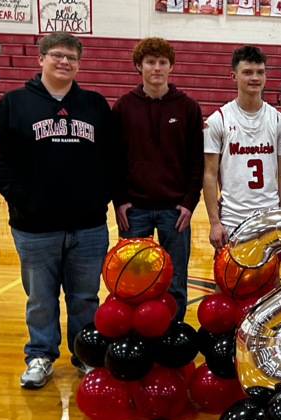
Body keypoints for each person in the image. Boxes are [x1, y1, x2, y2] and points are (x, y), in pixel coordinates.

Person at [0, 33, 119, 388]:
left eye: (71, 57)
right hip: (33, 226)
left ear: (79, 63)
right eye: (57, 55)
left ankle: (85, 355)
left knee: (85, 298)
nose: (64, 62)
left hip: (88, 225)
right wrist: (22, 199)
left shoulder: (94, 104)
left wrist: (98, 197)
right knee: (41, 299)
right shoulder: (13, 103)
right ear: (40, 58)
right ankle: (40, 356)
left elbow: (112, 158)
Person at [112, 37, 204, 322]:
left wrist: (189, 201)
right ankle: (134, 330)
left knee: (175, 278)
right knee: (132, 277)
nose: (157, 68)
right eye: (150, 62)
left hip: (175, 209)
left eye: (162, 62)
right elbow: (114, 158)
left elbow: (196, 161)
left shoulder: (188, 107)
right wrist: (120, 200)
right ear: (139, 66)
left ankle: (172, 331)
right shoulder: (124, 107)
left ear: (171, 67)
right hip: (134, 208)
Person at [203, 45, 281, 250]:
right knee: (226, 280)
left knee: (271, 278)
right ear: (233, 76)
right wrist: (215, 222)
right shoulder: (218, 120)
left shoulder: (279, 121)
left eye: (260, 72)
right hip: (232, 218)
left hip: (269, 217)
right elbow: (209, 173)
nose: (255, 78)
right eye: (248, 72)